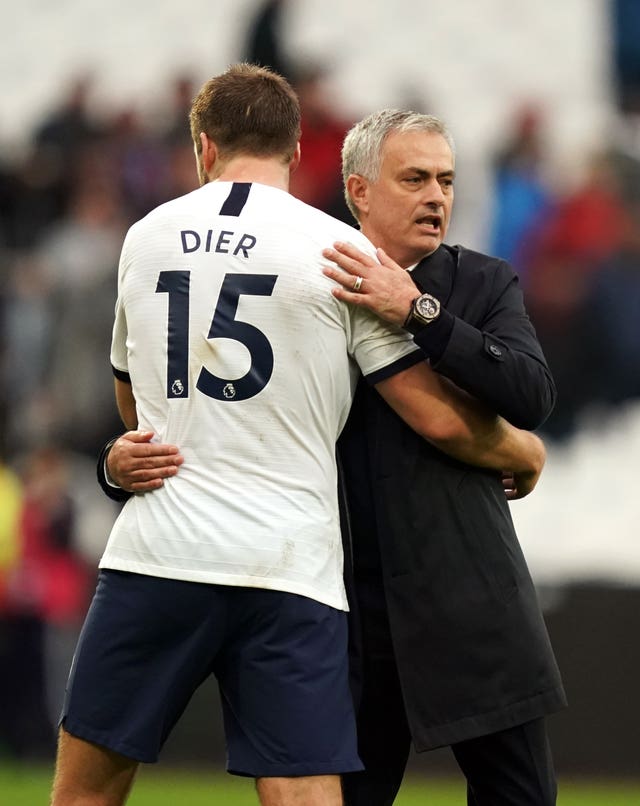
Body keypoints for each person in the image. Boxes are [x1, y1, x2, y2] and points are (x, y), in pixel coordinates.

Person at [52, 68, 546, 806]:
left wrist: (123, 462)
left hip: (160, 551)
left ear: (204, 147)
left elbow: (135, 407)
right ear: (297, 148)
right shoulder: (336, 254)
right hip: (288, 567)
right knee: (307, 796)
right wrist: (524, 452)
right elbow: (438, 417)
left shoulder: (144, 235)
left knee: (87, 791)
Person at [319, 110, 566, 806]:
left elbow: (532, 394)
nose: (436, 196)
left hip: (472, 597)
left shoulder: (484, 285)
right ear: (359, 190)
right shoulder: (311, 285)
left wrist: (420, 313)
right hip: (352, 609)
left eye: (447, 180)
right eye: (416, 178)